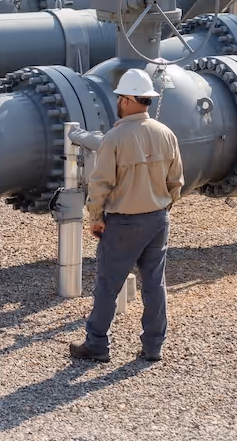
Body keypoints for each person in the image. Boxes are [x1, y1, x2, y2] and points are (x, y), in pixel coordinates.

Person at [69, 68, 183, 363]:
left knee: (108, 284)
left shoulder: (116, 137)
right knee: (154, 283)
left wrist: (96, 216)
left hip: (123, 221)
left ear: (131, 100)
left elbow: (100, 182)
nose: (118, 101)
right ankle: (154, 346)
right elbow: (177, 182)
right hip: (157, 219)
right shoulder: (166, 134)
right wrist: (162, 208)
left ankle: (97, 345)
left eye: (121, 97)